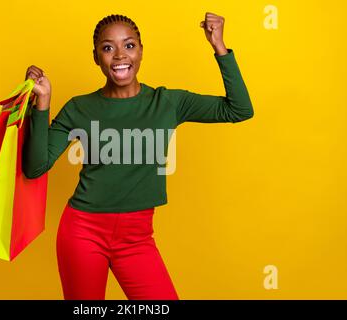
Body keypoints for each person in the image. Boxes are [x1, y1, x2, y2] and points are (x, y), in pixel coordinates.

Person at [22, 13, 254, 300]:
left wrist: (219, 46)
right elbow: (35, 168)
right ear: (96, 57)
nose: (120, 55)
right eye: (108, 48)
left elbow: (239, 109)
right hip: (83, 232)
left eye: (129, 45)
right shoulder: (79, 108)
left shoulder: (168, 103)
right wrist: (41, 104)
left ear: (141, 50)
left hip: (137, 238)